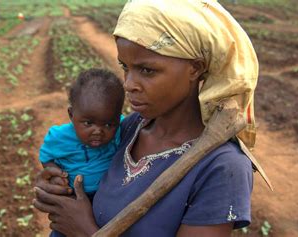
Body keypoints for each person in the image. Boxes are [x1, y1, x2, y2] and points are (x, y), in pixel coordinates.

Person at [33, 0, 263, 236]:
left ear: (195, 68)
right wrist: (59, 183)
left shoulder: (221, 167)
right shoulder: (131, 127)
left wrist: (84, 231)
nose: (129, 84)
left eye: (147, 70)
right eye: (125, 67)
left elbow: (84, 226)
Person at [39, 69, 125, 237]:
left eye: (108, 124)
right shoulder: (59, 137)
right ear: (71, 115)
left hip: (106, 200)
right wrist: (57, 175)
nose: (98, 131)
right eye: (88, 123)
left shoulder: (123, 128)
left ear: (118, 118)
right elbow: (46, 157)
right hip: (73, 200)